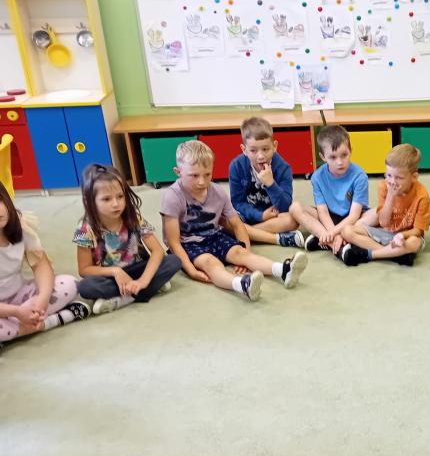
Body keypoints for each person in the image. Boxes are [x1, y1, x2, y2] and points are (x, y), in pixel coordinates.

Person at [161, 140, 307, 301]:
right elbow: (173, 242)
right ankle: (241, 285)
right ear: (178, 172)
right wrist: (190, 270)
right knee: (211, 263)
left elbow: (237, 225)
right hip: (188, 244)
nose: (202, 181)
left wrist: (246, 251)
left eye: (207, 174)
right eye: (194, 176)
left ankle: (283, 270)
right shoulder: (173, 196)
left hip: (215, 235)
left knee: (240, 253)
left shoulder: (218, 192)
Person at [74, 164, 181, 314]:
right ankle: (149, 289)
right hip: (110, 276)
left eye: (120, 196)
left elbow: (157, 251)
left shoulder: (134, 218)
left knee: (174, 261)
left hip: (138, 268)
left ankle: (125, 297)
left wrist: (143, 280)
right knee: (85, 286)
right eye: (106, 199)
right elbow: (84, 270)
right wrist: (116, 272)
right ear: (90, 201)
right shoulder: (84, 229)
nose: (116, 204)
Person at [0, 183, 88, 344]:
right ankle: (52, 321)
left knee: (69, 283)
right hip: (6, 309)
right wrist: (17, 312)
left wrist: (42, 299)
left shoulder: (20, 225)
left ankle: (22, 325)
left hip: (21, 296)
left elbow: (41, 265)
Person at [339, 144, 430, 267]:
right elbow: (383, 222)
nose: (392, 182)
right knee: (347, 231)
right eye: (389, 175)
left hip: (407, 236)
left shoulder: (422, 196)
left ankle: (371, 255)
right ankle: (395, 254)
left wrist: (401, 235)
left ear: (414, 177)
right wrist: (390, 196)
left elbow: (418, 231)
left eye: (399, 178)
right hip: (386, 231)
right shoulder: (384, 186)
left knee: (414, 243)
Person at [289, 125, 368, 255]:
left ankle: (323, 238)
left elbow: (354, 215)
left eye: (344, 155)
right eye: (333, 157)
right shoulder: (317, 177)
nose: (339, 162)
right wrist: (335, 234)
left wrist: (332, 232)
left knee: (374, 216)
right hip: (328, 217)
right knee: (294, 208)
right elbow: (323, 212)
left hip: (352, 219)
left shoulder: (360, 176)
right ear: (323, 157)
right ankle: (335, 244)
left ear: (350, 150)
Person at [228, 116, 303, 247]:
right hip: (248, 217)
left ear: (275, 146)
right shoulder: (236, 166)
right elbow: (237, 203)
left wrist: (271, 184)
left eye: (265, 149)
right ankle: (267, 236)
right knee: (227, 220)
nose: (261, 156)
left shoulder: (283, 168)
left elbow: (285, 206)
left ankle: (246, 233)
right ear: (244, 150)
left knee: (292, 220)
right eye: (253, 150)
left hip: (273, 219)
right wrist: (261, 216)